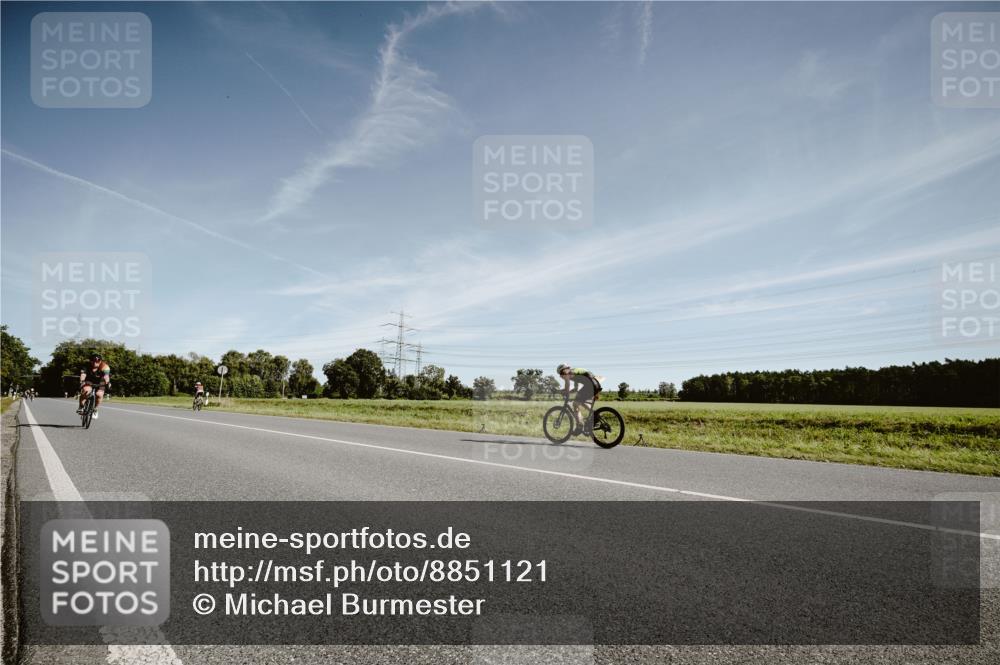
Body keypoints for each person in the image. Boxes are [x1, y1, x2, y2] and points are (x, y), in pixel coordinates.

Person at [557, 364, 602, 434]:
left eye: (561, 373)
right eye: (560, 375)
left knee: (575, 404)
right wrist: (567, 391)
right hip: (595, 385)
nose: (561, 376)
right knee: (581, 401)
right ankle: (595, 414)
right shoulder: (574, 373)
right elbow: (575, 389)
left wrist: (562, 391)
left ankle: (580, 427)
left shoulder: (568, 373)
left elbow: (567, 387)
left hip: (590, 385)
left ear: (565, 370)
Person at [78, 353, 111, 419]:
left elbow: (106, 376)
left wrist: (107, 382)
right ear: (90, 361)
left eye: (98, 361)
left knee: (99, 394)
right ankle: (81, 406)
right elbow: (83, 375)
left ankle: (95, 409)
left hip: (100, 381)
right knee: (86, 390)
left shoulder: (105, 366)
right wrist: (82, 381)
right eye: (93, 361)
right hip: (89, 380)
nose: (95, 363)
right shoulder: (86, 365)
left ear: (100, 361)